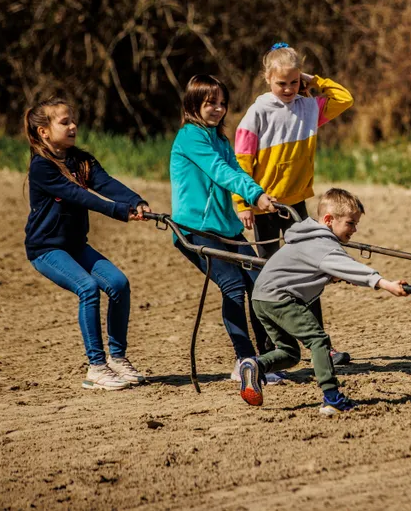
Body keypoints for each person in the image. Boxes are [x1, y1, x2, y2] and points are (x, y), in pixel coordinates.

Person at [233, 42, 354, 364]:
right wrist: (243, 202)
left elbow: (345, 98)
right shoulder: (256, 113)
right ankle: (275, 348)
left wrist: (315, 81)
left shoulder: (309, 107)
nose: (288, 89)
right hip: (265, 206)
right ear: (267, 80)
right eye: (281, 83)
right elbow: (241, 162)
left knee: (310, 271)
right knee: (272, 278)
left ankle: (321, 345)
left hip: (297, 204)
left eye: (294, 82)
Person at [169, 74, 282, 405]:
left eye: (222, 103)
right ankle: (243, 361)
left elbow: (237, 172)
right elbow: (221, 172)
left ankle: (265, 358)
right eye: (210, 103)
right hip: (196, 230)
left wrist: (254, 197)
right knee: (233, 286)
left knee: (261, 281)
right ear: (193, 105)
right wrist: (256, 195)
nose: (218, 109)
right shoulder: (190, 138)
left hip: (227, 228)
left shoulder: (219, 138)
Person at [24, 97, 150, 391]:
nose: (72, 126)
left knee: (118, 283)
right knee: (88, 288)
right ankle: (96, 367)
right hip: (46, 249)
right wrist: (120, 211)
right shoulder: (42, 167)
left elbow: (106, 184)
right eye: (64, 122)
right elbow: (79, 196)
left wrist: (135, 200)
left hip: (76, 245)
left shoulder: (82, 161)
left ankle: (117, 359)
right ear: (44, 131)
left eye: (73, 121)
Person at [246, 188, 409, 415]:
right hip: (279, 298)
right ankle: (332, 398)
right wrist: (386, 284)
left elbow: (309, 269)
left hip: (261, 298)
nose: (354, 230)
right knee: (318, 340)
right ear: (329, 220)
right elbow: (350, 267)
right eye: (351, 223)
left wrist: (332, 276)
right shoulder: (322, 244)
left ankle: (255, 365)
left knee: (290, 352)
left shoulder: (307, 237)